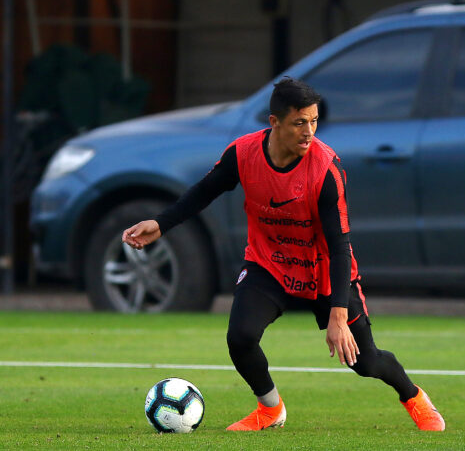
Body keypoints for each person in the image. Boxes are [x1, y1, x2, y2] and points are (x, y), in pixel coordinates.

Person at [122, 77, 445, 432]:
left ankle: (413, 396)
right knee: (241, 337)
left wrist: (338, 314)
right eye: (299, 122)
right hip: (269, 264)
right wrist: (161, 223)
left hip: (324, 273)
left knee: (365, 361)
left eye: (314, 121)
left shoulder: (326, 170)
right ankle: (270, 409)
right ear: (274, 122)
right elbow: (204, 191)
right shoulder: (243, 153)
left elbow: (340, 246)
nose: (309, 132)